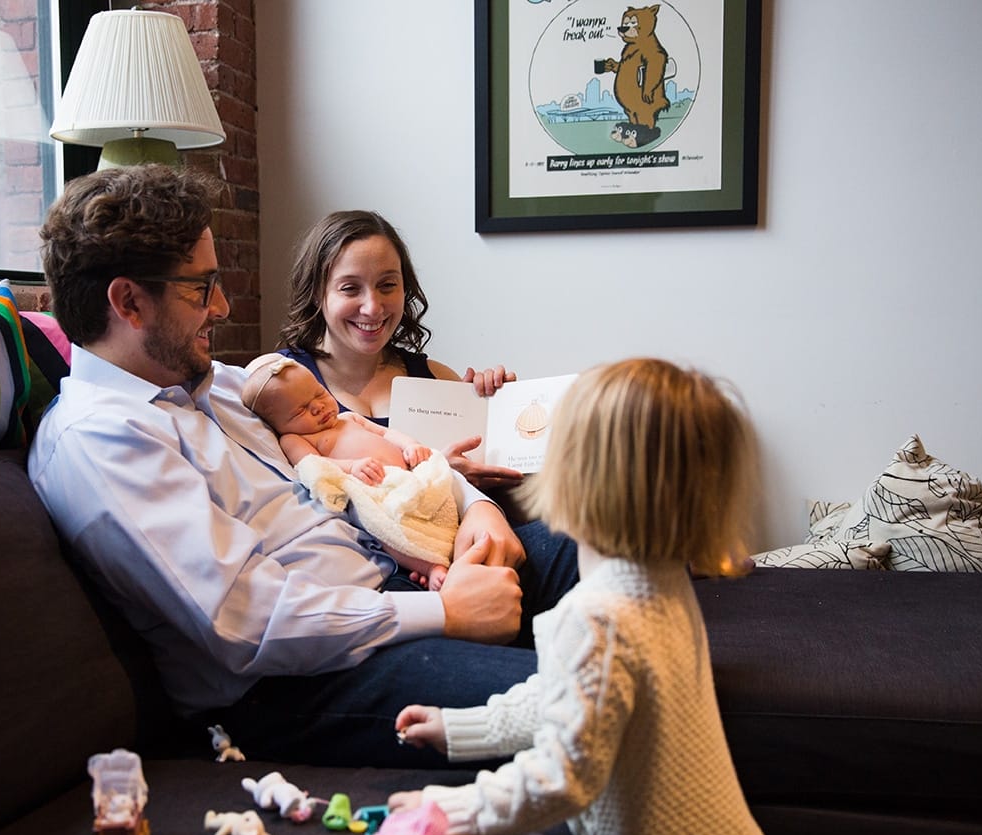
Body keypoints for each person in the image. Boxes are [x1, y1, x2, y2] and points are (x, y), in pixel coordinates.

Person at [29, 164, 579, 768]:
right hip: (299, 680)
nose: (223, 306)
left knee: (603, 545)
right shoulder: (104, 438)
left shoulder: (226, 387)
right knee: (583, 702)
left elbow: (365, 441)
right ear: (129, 301)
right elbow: (245, 620)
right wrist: (448, 612)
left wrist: (480, 510)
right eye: (201, 287)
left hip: (402, 574)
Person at [387, 358, 778, 835]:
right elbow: (569, 696)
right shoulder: (660, 583)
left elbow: (559, 778)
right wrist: (461, 727)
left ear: (582, 479)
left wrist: (449, 812)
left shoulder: (597, 617)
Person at [278, 210, 523, 492]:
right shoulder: (279, 382)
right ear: (316, 293)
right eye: (350, 288)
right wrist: (441, 474)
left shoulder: (438, 377)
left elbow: (506, 498)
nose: (372, 307)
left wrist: (501, 418)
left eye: (387, 285)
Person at [241, 352, 455, 590]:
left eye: (319, 393)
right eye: (301, 410)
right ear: (278, 424)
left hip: (407, 476)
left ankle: (449, 549)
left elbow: (386, 433)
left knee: (443, 491)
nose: (318, 407)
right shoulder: (294, 439)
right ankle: (427, 566)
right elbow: (311, 466)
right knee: (385, 532)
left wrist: (410, 445)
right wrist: (351, 467)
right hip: (373, 493)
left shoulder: (349, 418)